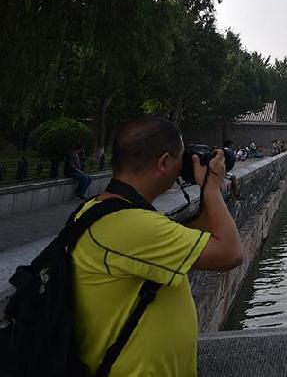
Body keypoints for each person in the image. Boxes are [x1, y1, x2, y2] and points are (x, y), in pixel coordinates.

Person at [71, 116, 243, 377]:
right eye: (181, 159)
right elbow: (230, 253)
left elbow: (197, 234)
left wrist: (209, 188)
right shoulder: (130, 225)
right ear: (163, 163)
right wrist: (212, 190)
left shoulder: (102, 210)